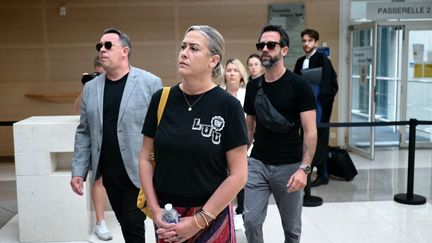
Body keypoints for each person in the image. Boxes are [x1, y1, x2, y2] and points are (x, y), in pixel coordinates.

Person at [139, 25, 248, 243]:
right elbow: (144, 158)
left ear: (213, 60)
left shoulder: (228, 105)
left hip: (211, 214)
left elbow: (239, 175)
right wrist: (155, 210)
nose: (184, 53)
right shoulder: (162, 99)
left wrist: (199, 221)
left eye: (194, 48)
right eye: (183, 47)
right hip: (167, 216)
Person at [70, 27, 163, 243]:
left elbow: (161, 129)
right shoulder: (92, 88)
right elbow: (84, 131)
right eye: (99, 46)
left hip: (139, 170)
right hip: (108, 173)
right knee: (125, 223)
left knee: (133, 222)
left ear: (125, 51)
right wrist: (79, 170)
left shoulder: (150, 83)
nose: (102, 49)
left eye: (108, 45)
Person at [243, 24, 317, 243]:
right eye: (261, 45)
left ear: (283, 50)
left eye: (270, 45)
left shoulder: (300, 86)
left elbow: (310, 132)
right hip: (257, 164)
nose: (264, 49)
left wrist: (304, 170)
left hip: (290, 167)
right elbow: (248, 129)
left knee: (291, 229)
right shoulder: (253, 87)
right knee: (251, 221)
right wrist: (238, 161)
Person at [73, 56, 112, 241]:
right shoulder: (91, 87)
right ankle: (100, 221)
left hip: (123, 142)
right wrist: (86, 87)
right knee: (98, 179)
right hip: (99, 141)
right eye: (100, 74)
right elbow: (78, 110)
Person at [294, 29, 338, 187]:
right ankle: (307, 170)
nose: (306, 43)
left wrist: (321, 101)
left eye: (309, 41)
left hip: (318, 108)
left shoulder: (323, 60)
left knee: (318, 138)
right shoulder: (300, 61)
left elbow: (331, 85)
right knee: (305, 138)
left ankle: (323, 173)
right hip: (303, 107)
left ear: (316, 43)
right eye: (304, 41)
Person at [223, 58, 248, 230]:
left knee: (241, 180)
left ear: (241, 75)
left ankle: (241, 213)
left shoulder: (247, 94)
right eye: (229, 70)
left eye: (235, 70)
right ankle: (224, 212)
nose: (231, 73)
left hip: (243, 145)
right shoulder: (218, 92)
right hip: (221, 145)